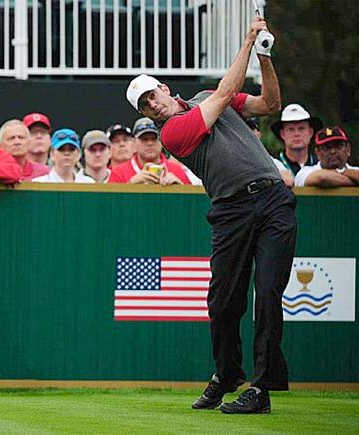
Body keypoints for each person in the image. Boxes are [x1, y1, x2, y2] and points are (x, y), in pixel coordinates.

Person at [126, 16, 296, 414]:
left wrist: (265, 57)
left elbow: (270, 105)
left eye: (153, 95)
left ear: (164, 89)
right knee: (223, 303)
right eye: (146, 105)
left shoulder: (203, 96)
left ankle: (261, 389)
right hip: (231, 210)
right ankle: (226, 374)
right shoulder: (171, 133)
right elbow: (226, 93)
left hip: (272, 200)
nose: (153, 104)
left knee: (268, 291)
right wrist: (249, 41)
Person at [108, 118, 191, 185]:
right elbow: (109, 203)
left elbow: (192, 203)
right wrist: (130, 185)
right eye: (144, 139)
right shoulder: (119, 173)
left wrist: (180, 188)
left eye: (154, 138)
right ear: (134, 143)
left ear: (161, 141)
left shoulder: (177, 171)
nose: (150, 143)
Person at [294, 126, 359, 187]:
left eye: (338, 146)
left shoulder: (356, 170)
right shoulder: (305, 172)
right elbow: (323, 178)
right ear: (318, 153)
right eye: (326, 148)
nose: (333, 151)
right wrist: (343, 172)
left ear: (348, 149)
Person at [271, 103, 323, 177]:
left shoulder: (320, 164)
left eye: (301, 129)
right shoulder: (273, 166)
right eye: (291, 129)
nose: (296, 134)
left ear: (310, 132)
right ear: (282, 134)